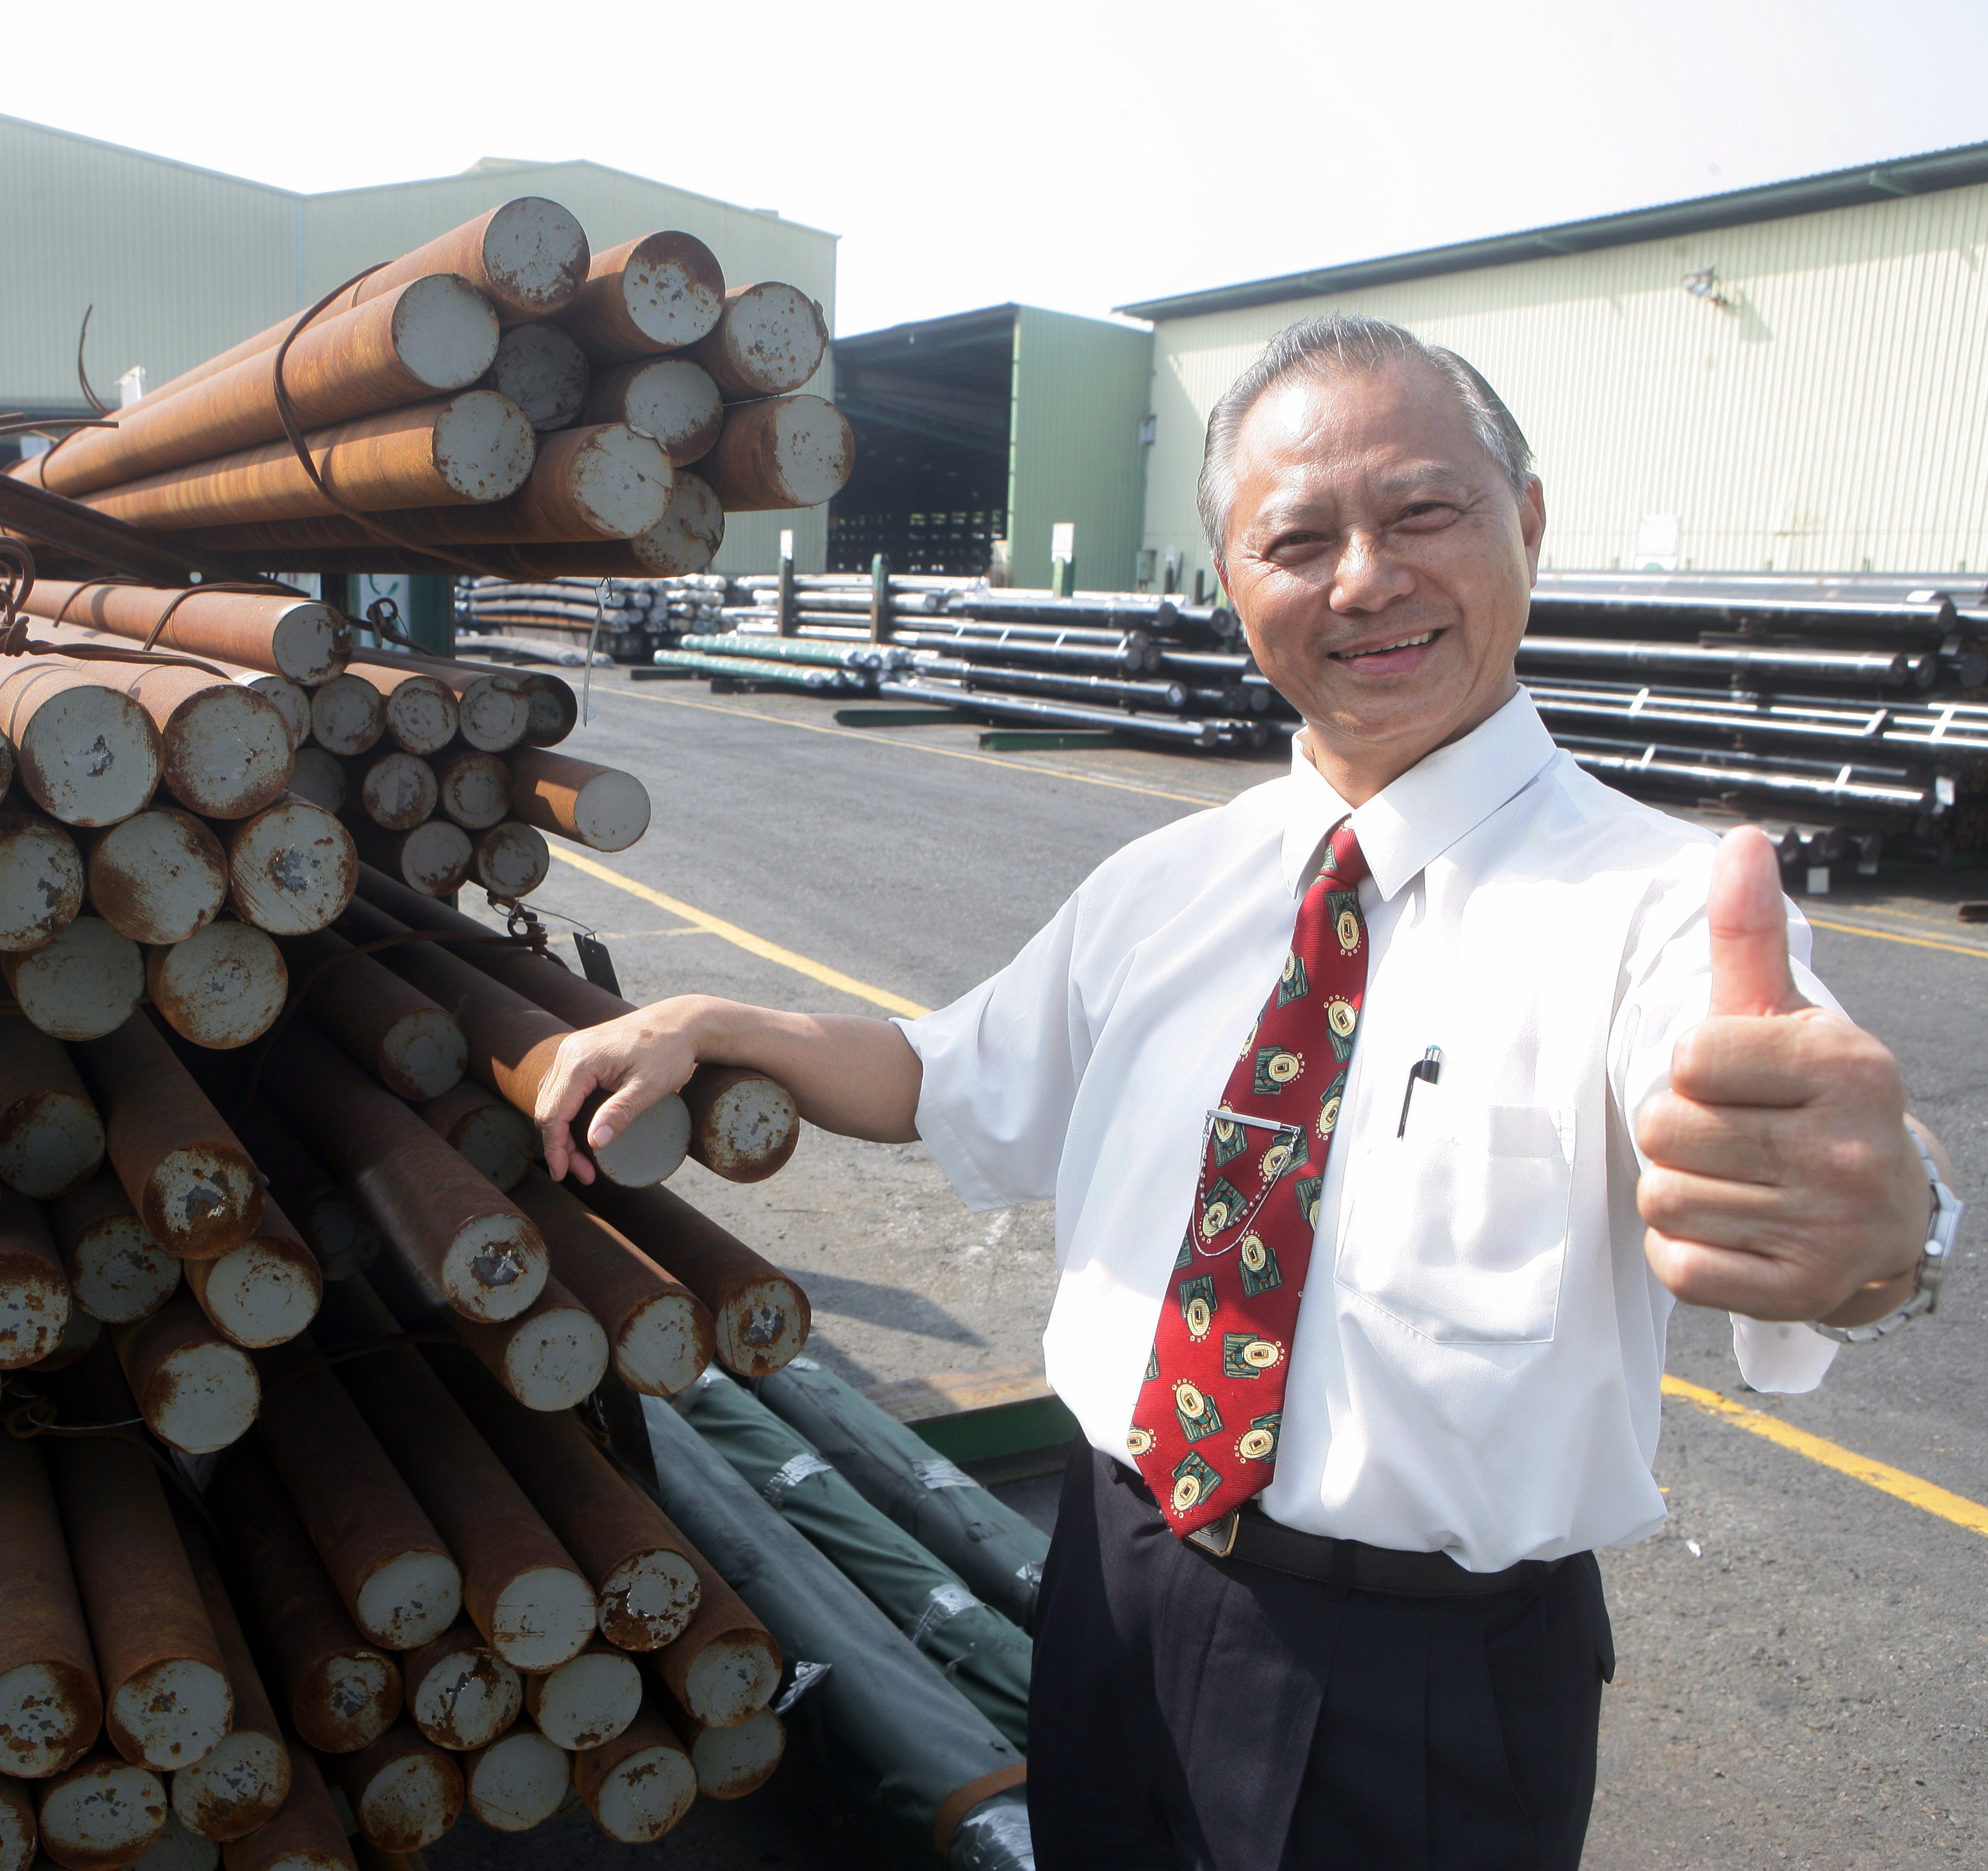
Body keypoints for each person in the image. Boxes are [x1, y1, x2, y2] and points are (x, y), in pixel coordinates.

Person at [532, 314, 1959, 1868]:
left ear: (1527, 525)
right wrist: (709, 1016)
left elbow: (1814, 1151)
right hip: (1116, 1582)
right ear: (1232, 585)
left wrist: (1888, 1227)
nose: (1365, 580)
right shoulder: (1165, 886)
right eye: (1300, 539)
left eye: (1423, 515)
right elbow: (944, 1073)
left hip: (1421, 1692)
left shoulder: (1662, 914)